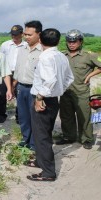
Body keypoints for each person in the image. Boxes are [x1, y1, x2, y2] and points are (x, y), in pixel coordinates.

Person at [26, 28, 74, 181]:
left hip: (44, 100)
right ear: (59, 41)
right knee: (44, 132)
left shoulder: (45, 57)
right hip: (53, 100)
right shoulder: (61, 56)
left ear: (40, 40)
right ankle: (40, 161)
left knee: (42, 137)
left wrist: (40, 97)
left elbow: (50, 80)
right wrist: (59, 90)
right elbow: (69, 79)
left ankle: (48, 172)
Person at [57, 29, 101, 149]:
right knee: (66, 116)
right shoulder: (62, 55)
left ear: (80, 42)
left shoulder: (88, 55)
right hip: (66, 91)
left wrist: (90, 75)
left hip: (82, 92)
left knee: (84, 116)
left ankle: (86, 138)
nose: (71, 44)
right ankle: (68, 136)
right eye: (69, 41)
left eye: (74, 41)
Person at [13, 20, 43, 150]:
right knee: (23, 117)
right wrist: (14, 83)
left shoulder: (44, 51)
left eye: (29, 34)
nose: (26, 37)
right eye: (25, 34)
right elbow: (19, 68)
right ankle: (26, 139)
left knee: (35, 118)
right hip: (21, 87)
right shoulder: (22, 49)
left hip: (35, 89)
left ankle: (34, 143)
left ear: (39, 35)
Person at [0, 25, 27, 124]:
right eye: (12, 34)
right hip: (6, 72)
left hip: (21, 72)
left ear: (22, 34)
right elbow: (0, 59)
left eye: (16, 35)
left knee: (19, 95)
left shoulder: (26, 45)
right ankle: (1, 115)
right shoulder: (5, 45)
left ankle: (19, 117)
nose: (14, 37)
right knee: (2, 94)